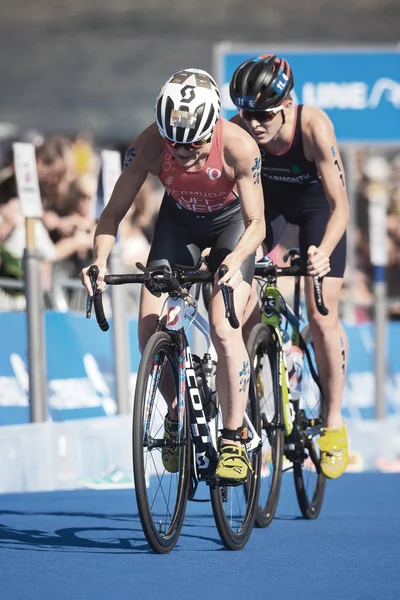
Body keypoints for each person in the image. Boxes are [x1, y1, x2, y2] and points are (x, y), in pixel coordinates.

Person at [80, 68, 265, 482]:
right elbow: (111, 213)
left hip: (231, 227)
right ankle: (176, 413)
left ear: (213, 126)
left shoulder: (238, 145)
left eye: (195, 144)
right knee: (148, 330)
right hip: (178, 224)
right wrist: (98, 260)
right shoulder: (148, 143)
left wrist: (235, 260)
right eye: (175, 145)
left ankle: (234, 440)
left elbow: (258, 224)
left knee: (222, 326)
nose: (184, 153)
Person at [229, 54, 350, 479]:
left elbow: (341, 207)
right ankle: (258, 404)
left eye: (263, 114)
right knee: (242, 306)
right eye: (246, 113)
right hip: (270, 208)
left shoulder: (314, 126)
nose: (255, 123)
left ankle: (333, 421)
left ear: (287, 104)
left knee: (321, 315)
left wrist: (322, 252)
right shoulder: (239, 128)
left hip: (318, 208)